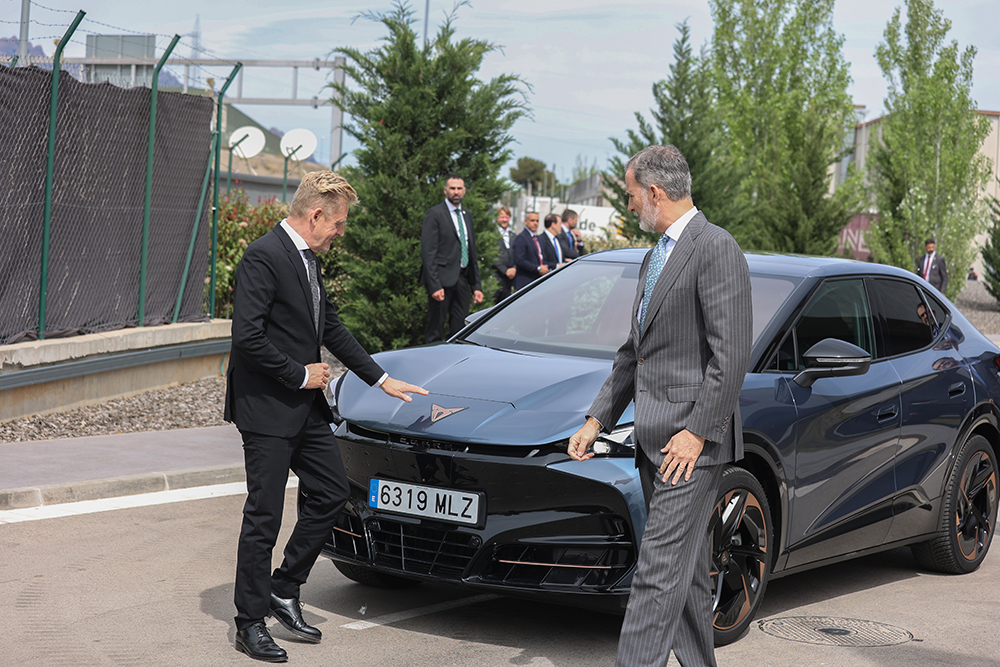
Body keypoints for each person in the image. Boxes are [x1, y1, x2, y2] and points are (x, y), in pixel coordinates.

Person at [225, 171, 428, 663]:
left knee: (334, 493)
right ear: (315, 215)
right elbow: (247, 338)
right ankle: (249, 622)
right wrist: (300, 374)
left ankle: (284, 586)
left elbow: (328, 326)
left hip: (305, 408)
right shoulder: (263, 256)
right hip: (268, 408)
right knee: (264, 516)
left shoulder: (308, 259)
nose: (340, 233)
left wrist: (380, 379)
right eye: (337, 224)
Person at [567, 145, 752, 667]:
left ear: (654, 192)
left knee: (655, 571)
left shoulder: (716, 247)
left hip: (689, 446)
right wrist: (597, 417)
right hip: (652, 440)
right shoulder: (656, 256)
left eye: (630, 196)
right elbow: (635, 354)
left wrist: (697, 432)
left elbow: (731, 353)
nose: (629, 206)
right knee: (687, 575)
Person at [420, 175, 484, 342]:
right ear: (445, 190)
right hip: (441, 281)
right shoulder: (434, 214)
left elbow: (472, 251)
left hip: (462, 280)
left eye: (459, 188)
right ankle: (432, 362)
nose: (456, 192)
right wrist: (434, 285)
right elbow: (428, 252)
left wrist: (476, 285)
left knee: (460, 329)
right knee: (436, 329)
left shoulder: (467, 215)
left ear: (464, 191)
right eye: (453, 188)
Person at [512, 211, 557, 290]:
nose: (535, 223)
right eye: (532, 220)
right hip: (526, 282)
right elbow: (519, 260)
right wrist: (537, 268)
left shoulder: (538, 238)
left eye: (537, 221)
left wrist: (545, 267)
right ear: (526, 222)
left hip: (538, 280)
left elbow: (542, 256)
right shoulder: (522, 238)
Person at [492, 206, 516, 302]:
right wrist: (505, 271)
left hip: (509, 281)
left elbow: (517, 255)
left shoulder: (513, 236)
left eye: (507, 217)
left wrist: (514, 268)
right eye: (502, 217)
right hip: (496, 278)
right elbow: (493, 256)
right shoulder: (492, 234)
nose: (504, 220)